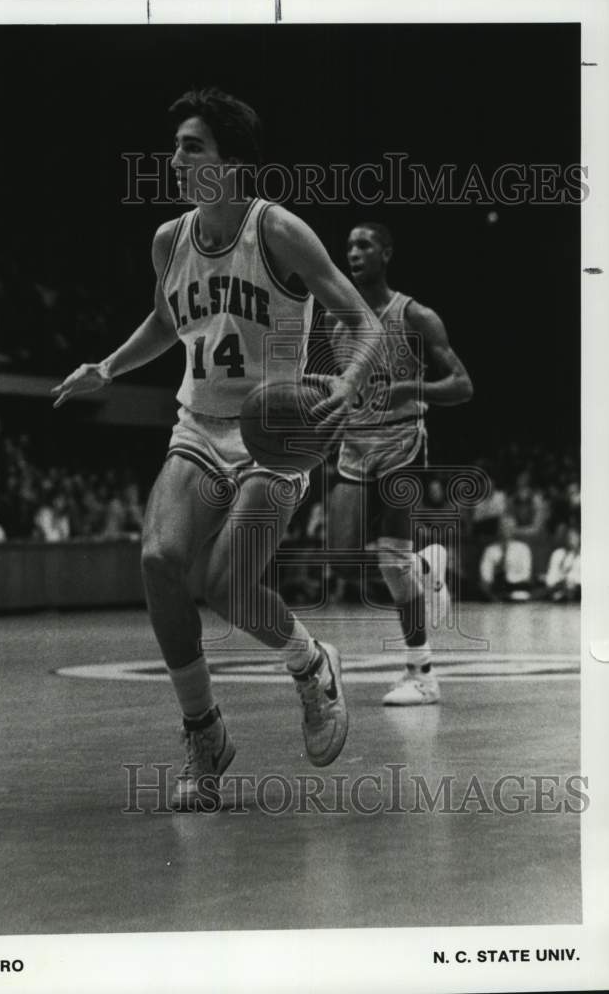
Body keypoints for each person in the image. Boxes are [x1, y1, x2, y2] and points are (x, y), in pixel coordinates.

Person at [52, 88, 384, 809]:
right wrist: (106, 367)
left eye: (190, 147)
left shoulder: (279, 231)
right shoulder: (168, 241)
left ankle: (310, 665)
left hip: (276, 433)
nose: (173, 160)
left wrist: (349, 382)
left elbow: (361, 321)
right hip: (200, 425)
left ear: (231, 164)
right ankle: (204, 731)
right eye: (174, 147)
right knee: (160, 561)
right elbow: (166, 321)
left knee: (230, 584)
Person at [325, 222, 473, 706]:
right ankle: (425, 566)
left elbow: (462, 385)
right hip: (353, 445)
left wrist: (412, 390)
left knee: (389, 557)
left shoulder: (415, 315)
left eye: (364, 244)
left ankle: (422, 673)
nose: (353, 252)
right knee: (344, 562)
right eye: (348, 245)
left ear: (387, 253)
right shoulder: (334, 320)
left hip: (401, 442)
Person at [478, 514, 533, 601]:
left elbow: (526, 575)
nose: (506, 530)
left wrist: (508, 579)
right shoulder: (490, 550)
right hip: (495, 591)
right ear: (498, 530)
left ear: (514, 530)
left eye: (510, 527)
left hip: (517, 590)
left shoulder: (523, 549)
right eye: (503, 527)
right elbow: (485, 576)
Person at [543, 526, 581, 602]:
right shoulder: (558, 553)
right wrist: (558, 582)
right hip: (558, 587)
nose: (571, 541)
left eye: (574, 537)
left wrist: (572, 581)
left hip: (578, 589)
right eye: (569, 537)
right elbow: (551, 576)